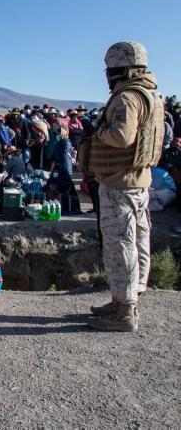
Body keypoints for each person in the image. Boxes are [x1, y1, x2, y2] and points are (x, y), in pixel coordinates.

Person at [86, 41, 165, 332]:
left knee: (120, 243)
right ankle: (129, 297)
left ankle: (123, 310)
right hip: (137, 180)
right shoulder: (150, 95)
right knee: (137, 238)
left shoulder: (127, 98)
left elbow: (121, 137)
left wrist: (99, 132)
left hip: (120, 182)